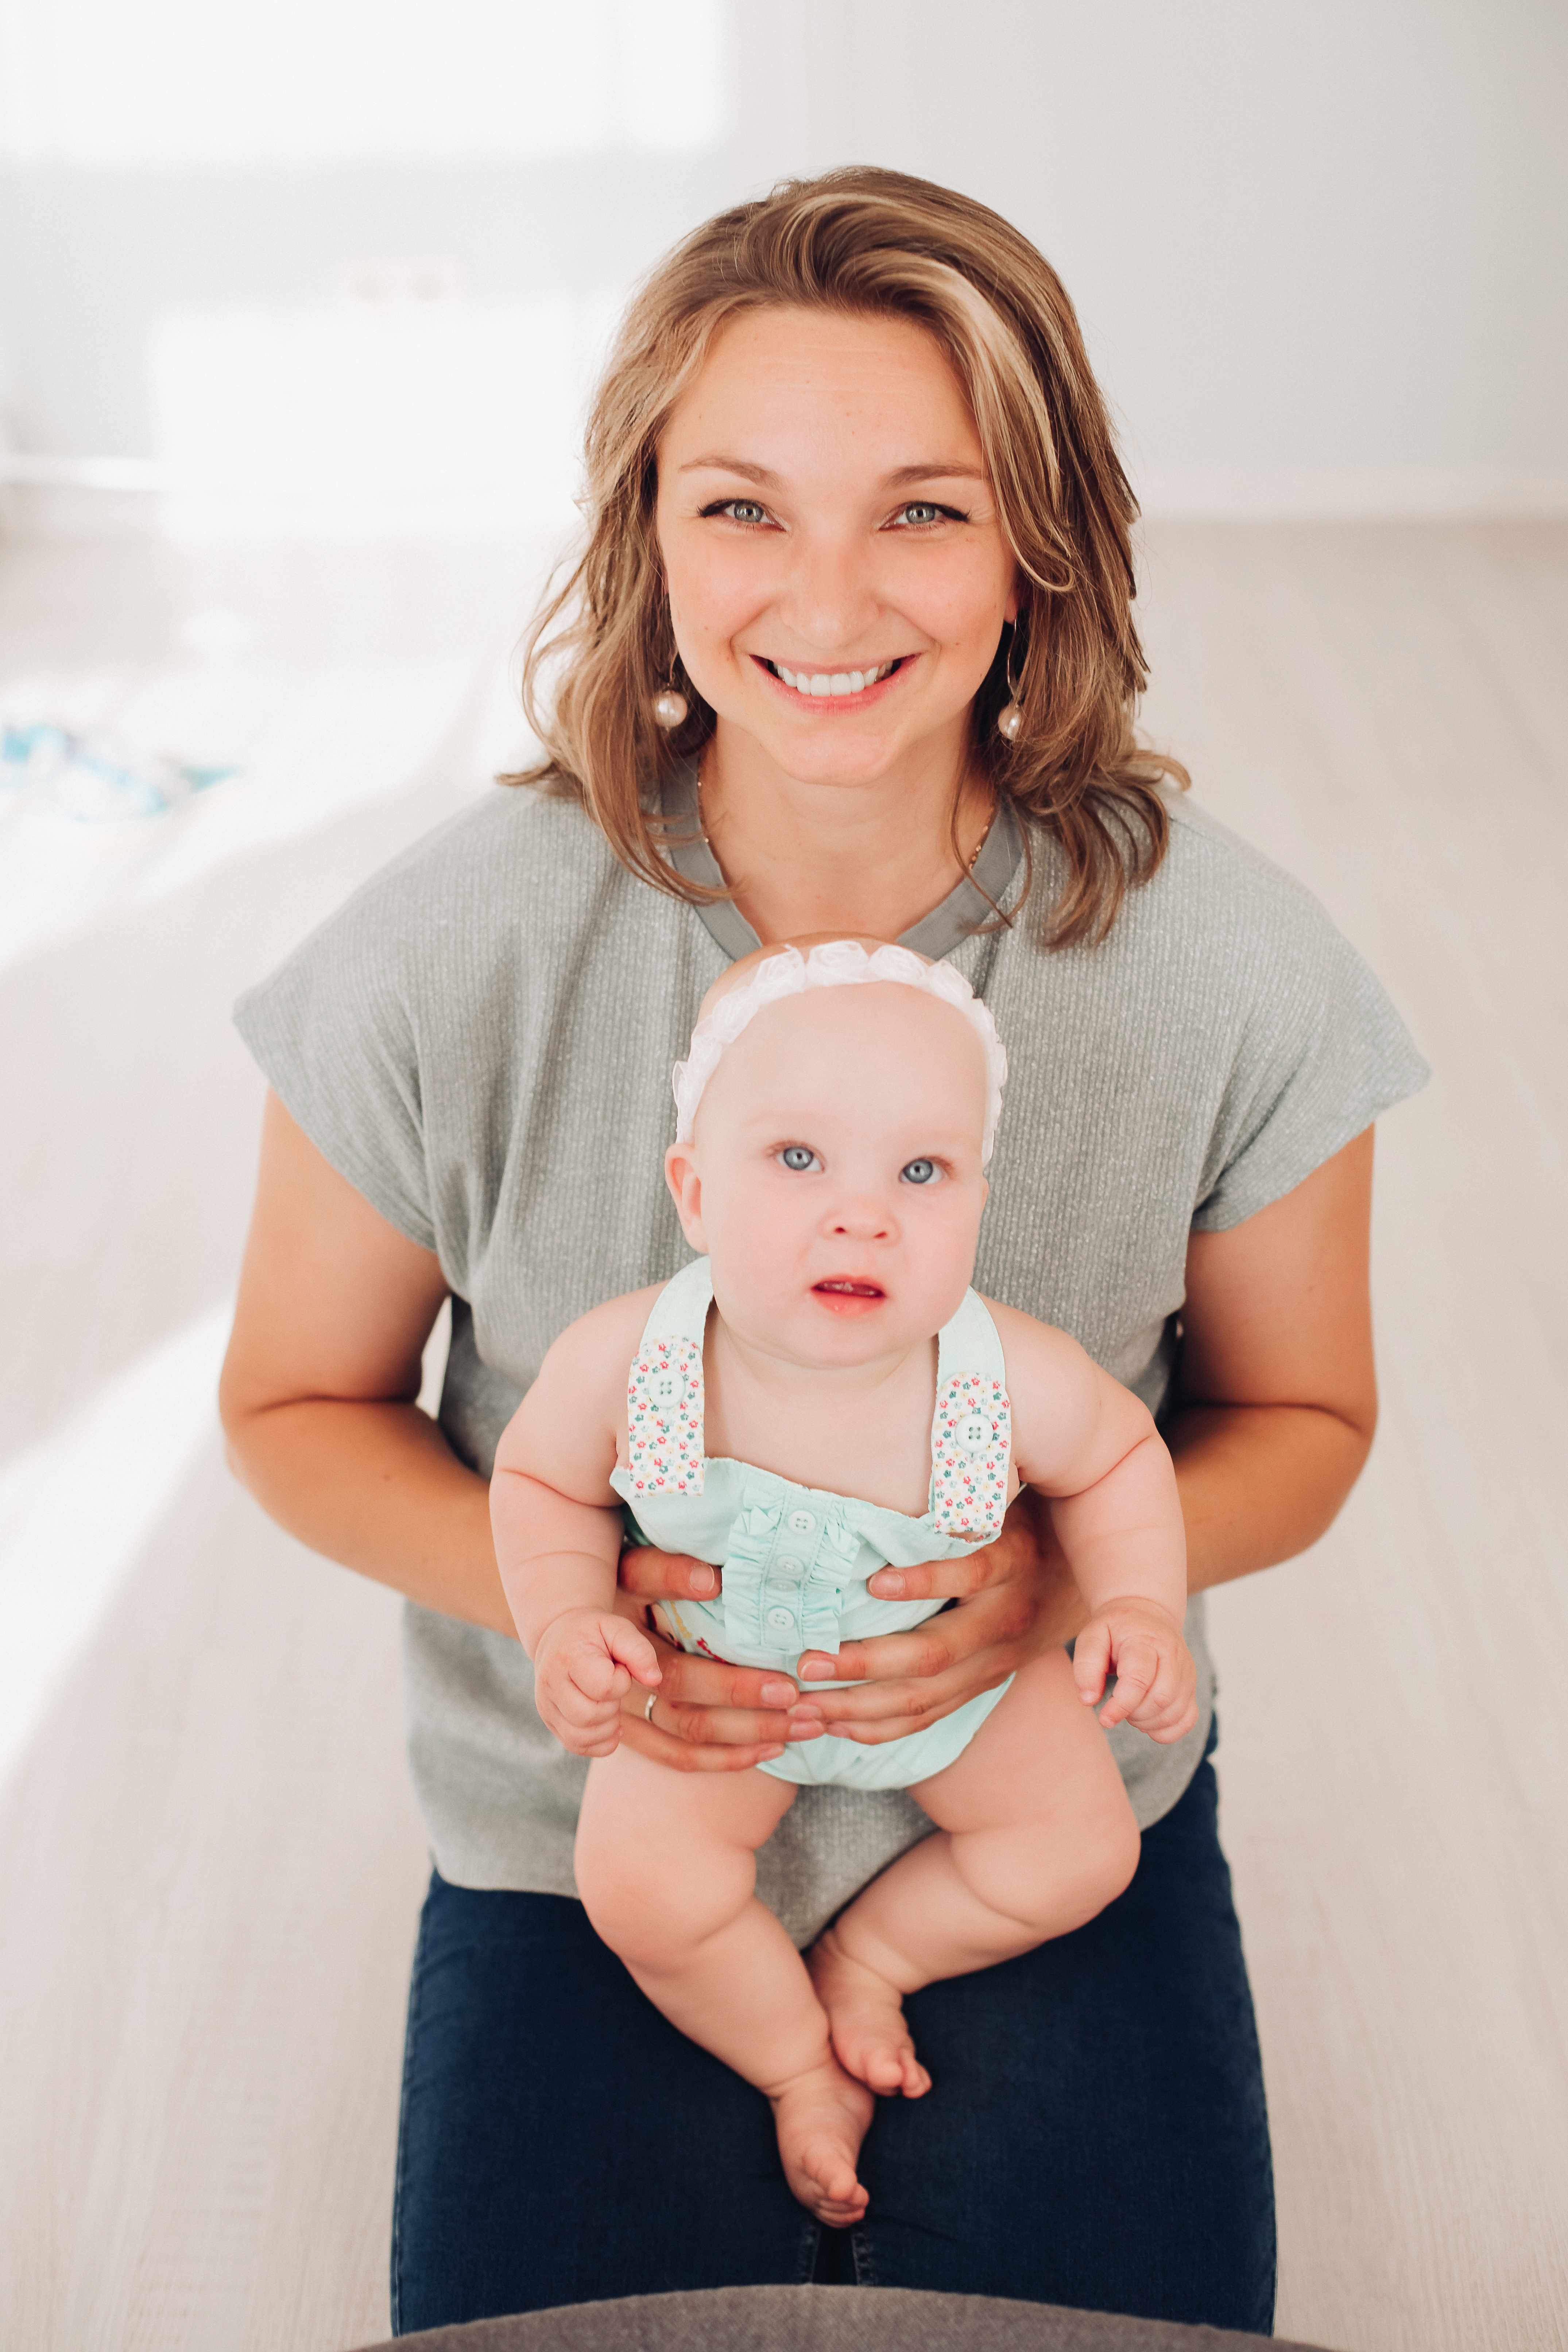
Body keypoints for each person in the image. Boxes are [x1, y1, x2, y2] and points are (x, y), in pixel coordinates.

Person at [218, 166, 1426, 2336]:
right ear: (644, 540)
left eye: (923, 511)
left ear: (1038, 547)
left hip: (1034, 1790)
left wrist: (1046, 1586)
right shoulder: (450, 947)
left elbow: (1305, 1415)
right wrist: (575, 1602)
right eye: (741, 508)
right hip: (588, 1819)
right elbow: (294, 1405)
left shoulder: (1231, 967)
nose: (827, 592)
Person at [493, 937, 1198, 2226]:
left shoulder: (1005, 1374)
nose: (862, 1212)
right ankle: (794, 2066)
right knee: (643, 1894)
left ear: (979, 1202)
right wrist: (565, 1618)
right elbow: (542, 1484)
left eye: (921, 1171)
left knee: (1080, 1852)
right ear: (693, 1193)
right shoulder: (629, 1361)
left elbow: (1116, 1462)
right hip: (709, 1687)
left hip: (955, 1685)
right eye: (798, 1159)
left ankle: (872, 1957)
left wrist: (1140, 1604)